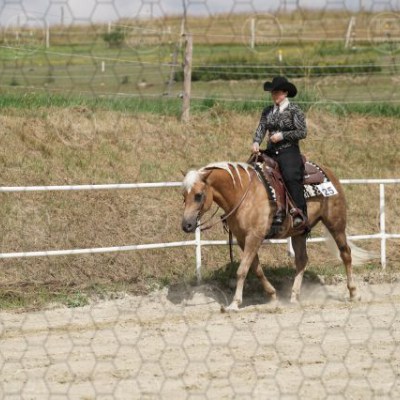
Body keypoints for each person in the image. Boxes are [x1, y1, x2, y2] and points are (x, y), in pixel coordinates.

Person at [252, 76, 307, 229]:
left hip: (288, 150)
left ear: (285, 93)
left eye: (277, 92)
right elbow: (261, 128)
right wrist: (256, 142)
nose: (274, 95)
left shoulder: (294, 110)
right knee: (253, 170)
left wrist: (282, 135)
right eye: (273, 93)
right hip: (271, 151)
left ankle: (299, 213)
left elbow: (302, 132)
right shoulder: (267, 111)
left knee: (290, 176)